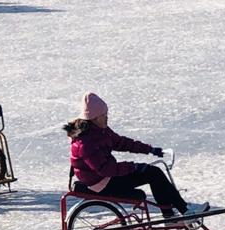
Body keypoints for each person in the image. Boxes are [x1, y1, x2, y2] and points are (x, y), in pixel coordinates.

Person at [64, 92, 209, 221]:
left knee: (152, 172)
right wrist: (132, 167)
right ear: (94, 118)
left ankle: (171, 214)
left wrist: (151, 150)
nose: (107, 118)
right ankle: (180, 212)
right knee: (153, 173)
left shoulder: (100, 131)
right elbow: (104, 169)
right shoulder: (86, 142)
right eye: (104, 115)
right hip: (101, 184)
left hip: (105, 178)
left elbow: (122, 143)